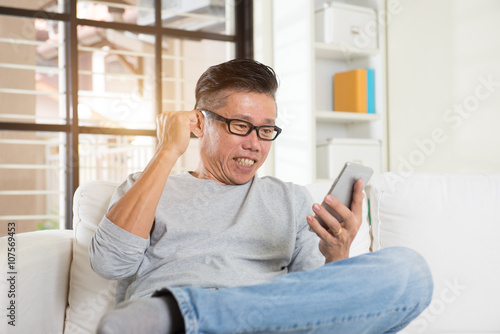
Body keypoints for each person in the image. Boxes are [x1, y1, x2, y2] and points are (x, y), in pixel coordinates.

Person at [90, 58, 433, 334]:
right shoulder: (147, 186)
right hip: (168, 326)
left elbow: (320, 305)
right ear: (199, 123)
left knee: (410, 270)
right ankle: (182, 314)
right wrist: (168, 150)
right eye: (240, 125)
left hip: (265, 325)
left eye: (266, 130)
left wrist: (336, 252)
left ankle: (190, 312)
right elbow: (110, 263)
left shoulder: (292, 200)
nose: (254, 143)